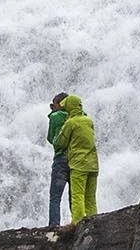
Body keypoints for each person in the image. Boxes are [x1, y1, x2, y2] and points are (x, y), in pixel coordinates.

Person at [54, 93, 98, 225]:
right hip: (93, 164)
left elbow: (60, 143)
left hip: (78, 164)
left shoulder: (71, 123)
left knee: (77, 195)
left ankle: (77, 224)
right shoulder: (89, 121)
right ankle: (94, 223)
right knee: (90, 197)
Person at [44, 92, 71, 226]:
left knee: (55, 197)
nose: (51, 108)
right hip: (76, 159)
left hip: (60, 159)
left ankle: (54, 226)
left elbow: (50, 138)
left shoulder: (55, 116)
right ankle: (77, 223)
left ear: (59, 105)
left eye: (52, 105)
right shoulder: (79, 116)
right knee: (75, 195)